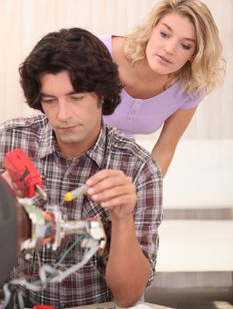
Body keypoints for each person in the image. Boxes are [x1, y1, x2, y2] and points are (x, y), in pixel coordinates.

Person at [0, 28, 163, 308]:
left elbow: (128, 296)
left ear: (102, 95)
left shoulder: (138, 168)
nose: (62, 115)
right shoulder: (9, 141)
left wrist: (122, 217)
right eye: (50, 100)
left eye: (76, 98)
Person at [100, 0, 226, 176]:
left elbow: (164, 149)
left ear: (194, 54)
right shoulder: (101, 52)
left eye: (185, 45)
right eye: (164, 34)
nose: (169, 49)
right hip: (63, 158)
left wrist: (144, 193)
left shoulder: (190, 88)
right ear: (151, 29)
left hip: (118, 173)